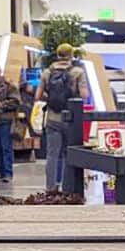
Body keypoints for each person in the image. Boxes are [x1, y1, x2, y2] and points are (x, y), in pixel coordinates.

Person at [34, 43, 88, 191]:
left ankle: (50, 188)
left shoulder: (47, 73)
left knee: (52, 154)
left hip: (52, 118)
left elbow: (38, 96)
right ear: (71, 55)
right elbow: (84, 95)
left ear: (57, 55)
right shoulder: (77, 72)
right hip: (70, 118)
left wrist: (51, 98)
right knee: (68, 153)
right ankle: (67, 187)